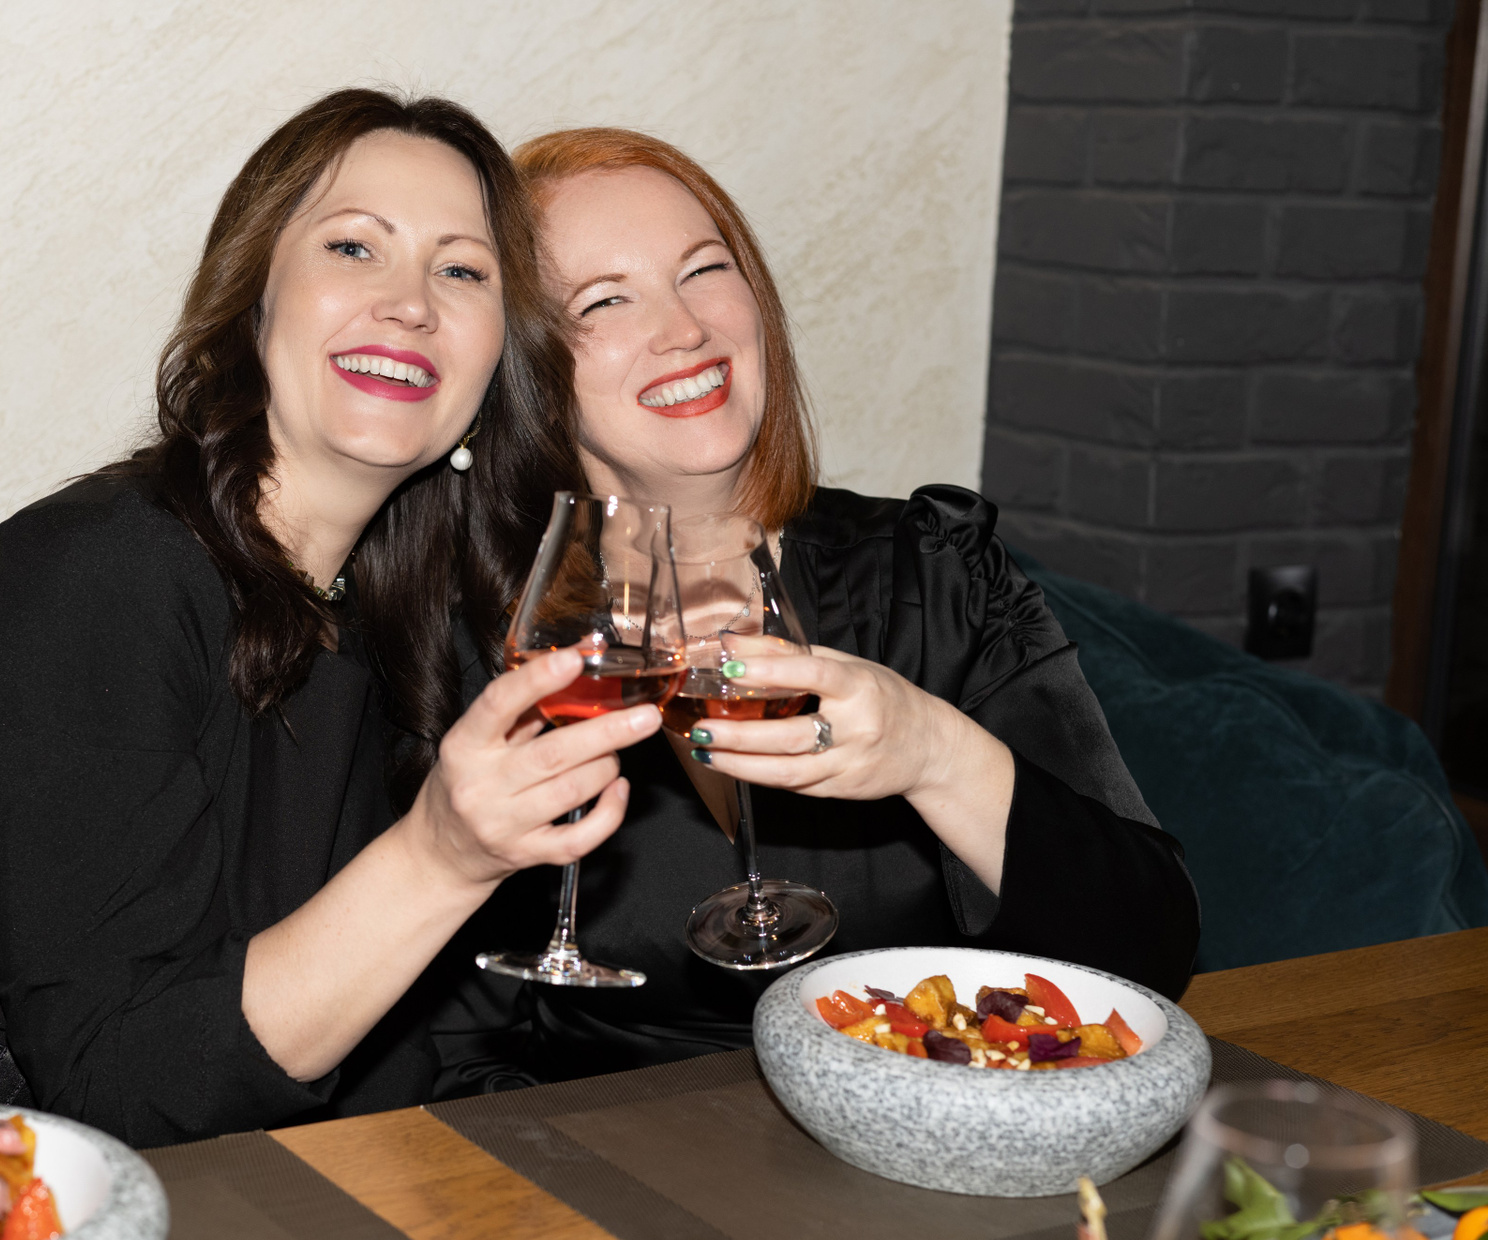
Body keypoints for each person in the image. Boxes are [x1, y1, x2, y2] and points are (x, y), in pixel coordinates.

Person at [0, 91, 669, 1239]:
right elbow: (127, 1075)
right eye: (354, 246)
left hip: (134, 1205)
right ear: (251, 303)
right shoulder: (98, 569)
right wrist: (443, 853)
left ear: (495, 366)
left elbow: (387, 1043)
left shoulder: (394, 633)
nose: (410, 301)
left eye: (462, 271)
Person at [436, 128, 1201, 1089]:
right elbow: (452, 1058)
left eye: (703, 270)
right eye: (604, 300)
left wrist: (932, 751)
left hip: (922, 1125)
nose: (684, 329)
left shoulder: (934, 573)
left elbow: (1151, 950)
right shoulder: (492, 635)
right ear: (527, 368)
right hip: (606, 1152)